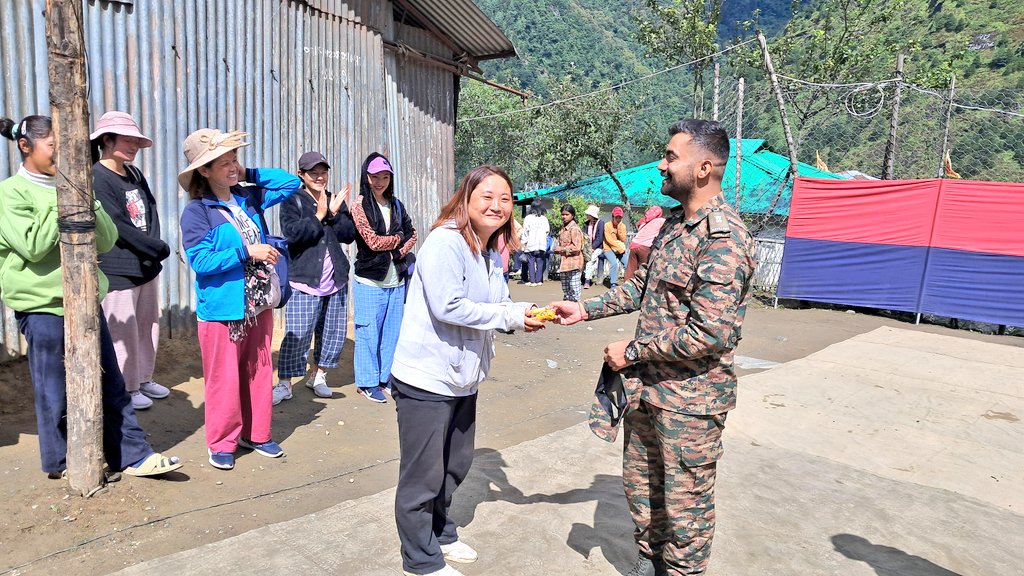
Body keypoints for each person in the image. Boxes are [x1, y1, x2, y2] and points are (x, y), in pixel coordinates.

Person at [549, 119, 756, 576]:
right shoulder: (672, 225)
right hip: (648, 393)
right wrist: (586, 309)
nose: (662, 165)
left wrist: (634, 352)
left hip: (691, 403)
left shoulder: (724, 238)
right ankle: (649, 561)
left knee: (686, 507)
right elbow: (644, 286)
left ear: (703, 167)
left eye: (670, 157)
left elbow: (710, 333)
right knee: (642, 488)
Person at [0, 115, 181, 480]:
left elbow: (106, 239)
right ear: (26, 146)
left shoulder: (76, 185)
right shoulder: (10, 194)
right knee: (55, 390)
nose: (63, 157)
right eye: (54, 148)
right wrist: (63, 198)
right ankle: (62, 463)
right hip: (43, 309)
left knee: (112, 383)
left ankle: (132, 455)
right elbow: (33, 248)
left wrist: (87, 199)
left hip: (85, 302)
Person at [390, 165, 543, 576]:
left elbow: (499, 302)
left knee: (455, 463)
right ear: (466, 199)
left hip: (463, 377)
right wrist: (508, 315)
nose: (497, 206)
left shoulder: (490, 251)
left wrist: (523, 313)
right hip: (427, 377)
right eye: (487, 197)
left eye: (506, 199)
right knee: (422, 474)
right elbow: (449, 306)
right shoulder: (446, 242)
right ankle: (420, 559)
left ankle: (439, 532)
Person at [179, 128, 301, 470]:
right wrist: (246, 252)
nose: (232, 167)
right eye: (223, 163)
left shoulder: (249, 197)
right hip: (223, 309)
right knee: (224, 378)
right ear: (204, 170)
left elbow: (290, 182)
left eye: (235, 160)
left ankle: (257, 433)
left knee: (259, 370)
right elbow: (201, 262)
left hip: (258, 303)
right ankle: (222, 441)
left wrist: (246, 174)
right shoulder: (198, 212)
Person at [90, 111, 172, 411]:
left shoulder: (135, 174)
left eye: (136, 141)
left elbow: (150, 211)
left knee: (147, 324)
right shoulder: (98, 177)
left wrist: (154, 247)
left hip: (146, 265)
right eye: (127, 140)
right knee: (122, 330)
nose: (134, 146)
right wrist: (155, 248)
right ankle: (127, 386)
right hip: (118, 268)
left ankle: (144, 378)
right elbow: (116, 226)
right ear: (106, 141)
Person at [272, 151, 356, 405]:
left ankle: (318, 376)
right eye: (313, 173)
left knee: (332, 332)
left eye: (323, 172)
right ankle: (285, 383)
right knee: (298, 332)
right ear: (301, 175)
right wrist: (320, 215)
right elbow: (294, 235)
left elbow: (348, 234)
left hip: (335, 280)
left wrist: (333, 212)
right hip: (305, 279)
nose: (319, 177)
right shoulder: (292, 201)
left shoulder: (334, 200)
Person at [350, 153, 417, 403]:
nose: (380, 182)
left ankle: (385, 378)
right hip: (370, 280)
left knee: (392, 333)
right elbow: (372, 241)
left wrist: (397, 249)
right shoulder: (359, 206)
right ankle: (367, 382)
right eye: (375, 177)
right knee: (368, 331)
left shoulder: (396, 205)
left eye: (385, 177)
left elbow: (413, 234)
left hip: (395, 279)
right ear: (366, 177)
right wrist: (398, 239)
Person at [624, 206, 665, 282]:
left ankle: (625, 287)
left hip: (634, 246)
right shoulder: (660, 221)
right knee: (643, 271)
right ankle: (641, 290)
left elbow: (638, 225)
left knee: (630, 270)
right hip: (645, 248)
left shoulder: (643, 223)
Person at [553, 204, 585, 301]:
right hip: (564, 264)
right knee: (566, 291)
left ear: (572, 215)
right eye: (562, 214)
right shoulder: (563, 229)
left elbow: (577, 247)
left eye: (567, 214)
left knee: (574, 290)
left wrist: (561, 249)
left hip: (574, 263)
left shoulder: (574, 229)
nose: (564, 217)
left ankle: (577, 310)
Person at [520, 200, 549, 286]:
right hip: (541, 244)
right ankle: (539, 280)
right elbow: (547, 231)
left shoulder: (528, 218)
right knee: (540, 262)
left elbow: (525, 232)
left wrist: (523, 243)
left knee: (531, 262)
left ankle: (532, 281)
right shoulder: (544, 219)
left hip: (530, 244)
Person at [603, 206, 629, 288]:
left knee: (628, 263)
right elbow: (608, 240)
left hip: (619, 250)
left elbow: (623, 238)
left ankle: (627, 282)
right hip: (608, 248)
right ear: (612, 217)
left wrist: (619, 228)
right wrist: (618, 247)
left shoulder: (623, 226)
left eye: (620, 218)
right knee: (614, 263)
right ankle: (613, 284)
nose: (618, 219)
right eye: (616, 217)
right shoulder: (607, 225)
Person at [582, 204, 606, 289]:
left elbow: (600, 238)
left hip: (598, 247)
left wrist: (592, 247)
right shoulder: (586, 224)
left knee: (590, 260)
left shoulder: (601, 223)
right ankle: (584, 277)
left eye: (588, 214)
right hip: (587, 247)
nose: (587, 215)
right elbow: (584, 236)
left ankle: (587, 280)